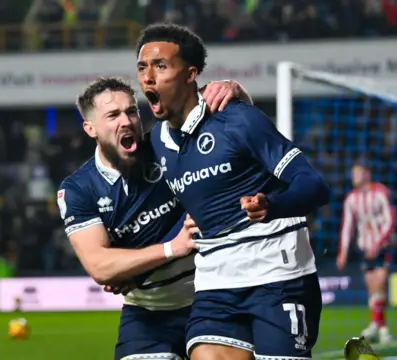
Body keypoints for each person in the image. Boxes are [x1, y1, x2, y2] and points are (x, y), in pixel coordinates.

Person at [138, 23, 331, 360]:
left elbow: (314, 185)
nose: (148, 78)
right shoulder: (156, 144)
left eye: (161, 66)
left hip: (279, 274)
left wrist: (272, 205)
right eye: (142, 68)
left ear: (190, 74)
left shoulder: (237, 119)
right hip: (216, 283)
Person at [59, 77, 251, 360]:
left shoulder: (166, 142)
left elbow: (237, 133)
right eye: (112, 115)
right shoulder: (78, 189)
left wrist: (236, 92)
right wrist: (172, 247)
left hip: (214, 296)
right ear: (91, 128)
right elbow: (100, 266)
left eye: (131, 111)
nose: (126, 121)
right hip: (148, 315)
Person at [337, 163, 396, 344]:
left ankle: (381, 327)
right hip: (364, 246)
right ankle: (379, 324)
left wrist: (379, 243)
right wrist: (343, 252)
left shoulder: (380, 192)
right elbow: (347, 226)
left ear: (367, 174)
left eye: (358, 173)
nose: (354, 176)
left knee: (379, 283)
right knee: (372, 287)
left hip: (382, 245)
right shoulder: (351, 199)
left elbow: (390, 218)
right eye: (353, 173)